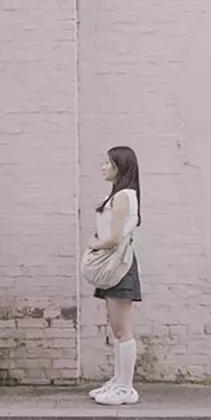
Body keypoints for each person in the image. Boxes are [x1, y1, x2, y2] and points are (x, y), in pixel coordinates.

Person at [88, 146, 142, 405]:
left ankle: (126, 387)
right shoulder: (121, 195)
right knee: (118, 329)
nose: (103, 167)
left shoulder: (123, 196)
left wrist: (93, 244)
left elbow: (114, 238)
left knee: (123, 329)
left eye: (108, 163)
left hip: (118, 265)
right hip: (116, 264)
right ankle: (119, 380)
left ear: (120, 166)